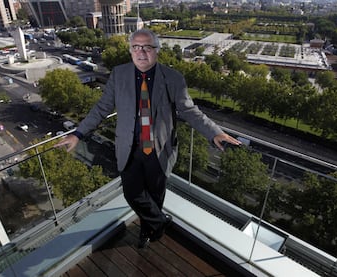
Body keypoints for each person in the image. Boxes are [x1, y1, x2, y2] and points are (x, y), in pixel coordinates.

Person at [55, 29, 241, 248]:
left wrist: (214, 133)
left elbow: (190, 111)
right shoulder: (119, 74)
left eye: (147, 47)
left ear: (157, 50)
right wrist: (78, 134)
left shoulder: (173, 78)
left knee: (154, 197)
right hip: (129, 148)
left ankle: (148, 231)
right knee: (132, 193)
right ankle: (160, 223)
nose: (141, 52)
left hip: (160, 150)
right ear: (130, 50)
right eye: (135, 47)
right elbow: (101, 108)